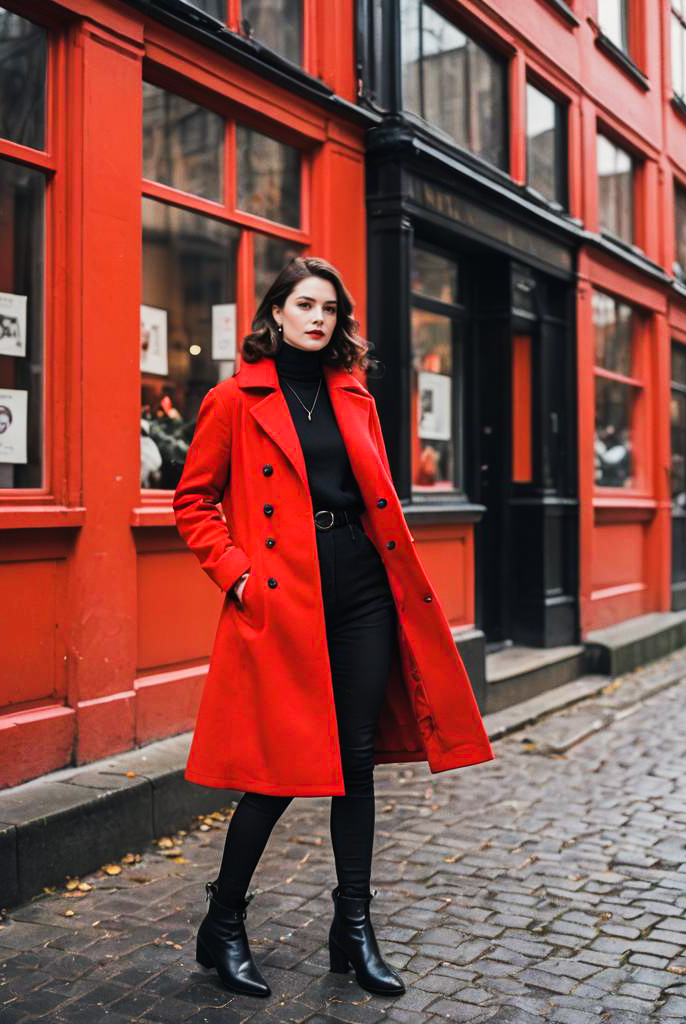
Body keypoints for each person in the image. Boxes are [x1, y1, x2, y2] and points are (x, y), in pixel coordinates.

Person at [172, 256, 494, 1000]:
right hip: (285, 595)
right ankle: (222, 923)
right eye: (305, 305)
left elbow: (375, 495)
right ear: (276, 313)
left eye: (330, 309)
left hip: (363, 585)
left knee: (355, 764)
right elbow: (192, 503)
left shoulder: (356, 397)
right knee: (277, 771)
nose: (319, 318)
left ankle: (353, 928)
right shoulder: (234, 399)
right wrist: (239, 573)